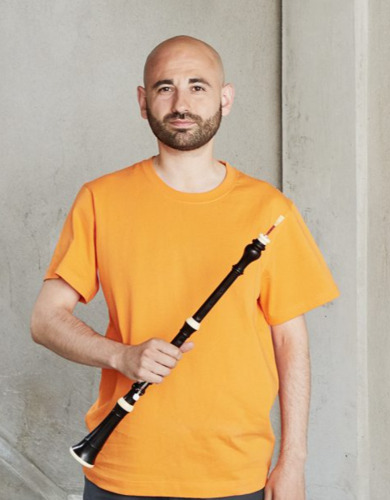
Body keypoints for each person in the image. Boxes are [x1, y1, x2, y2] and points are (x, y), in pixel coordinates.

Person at [31, 36, 339, 500]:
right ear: (142, 101)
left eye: (198, 86)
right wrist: (121, 356)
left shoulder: (270, 210)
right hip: (123, 470)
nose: (180, 102)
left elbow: (289, 340)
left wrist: (292, 460)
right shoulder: (101, 199)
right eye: (164, 87)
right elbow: (45, 320)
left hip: (235, 474)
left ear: (225, 98)